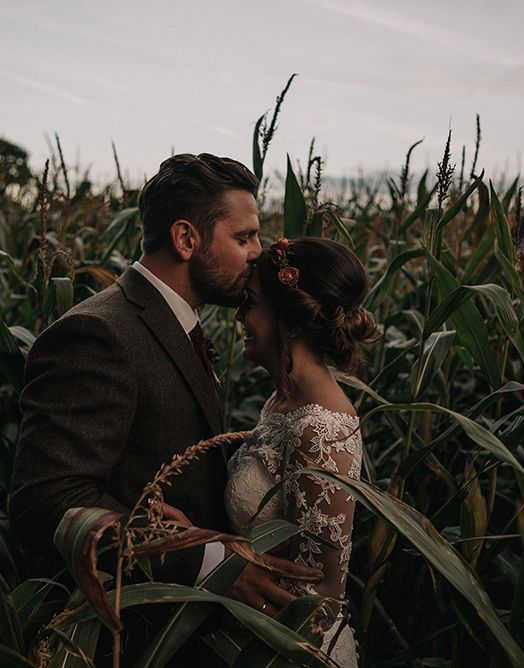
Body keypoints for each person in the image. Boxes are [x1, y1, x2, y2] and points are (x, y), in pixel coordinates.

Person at [8, 154, 321, 665]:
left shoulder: (173, 324)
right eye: (243, 238)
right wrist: (208, 561)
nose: (258, 255)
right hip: (135, 639)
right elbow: (46, 502)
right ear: (185, 239)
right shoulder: (99, 333)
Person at [225, 237, 379, 666]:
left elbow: (317, 596)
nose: (239, 315)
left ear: (289, 320)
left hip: (294, 652)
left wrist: (216, 579)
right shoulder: (283, 403)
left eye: (249, 302)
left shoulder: (321, 429)